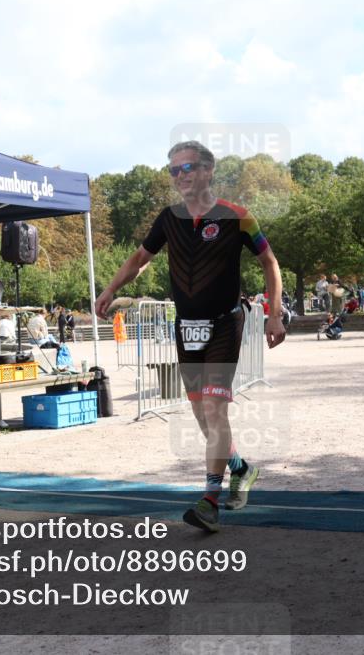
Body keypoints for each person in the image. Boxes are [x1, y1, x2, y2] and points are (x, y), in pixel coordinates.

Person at [95, 140, 286, 533]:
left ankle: (209, 501)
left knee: (215, 411)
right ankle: (241, 469)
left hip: (225, 323)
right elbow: (139, 259)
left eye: (187, 168)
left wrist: (275, 314)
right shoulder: (169, 219)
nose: (179, 176)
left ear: (207, 170)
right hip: (186, 327)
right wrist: (110, 289)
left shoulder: (237, 217)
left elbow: (269, 261)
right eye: (173, 170)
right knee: (201, 415)